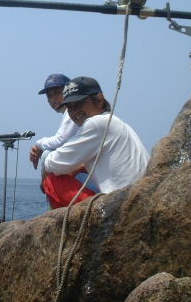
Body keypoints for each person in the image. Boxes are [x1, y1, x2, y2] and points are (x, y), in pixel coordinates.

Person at [42, 76, 150, 209]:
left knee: (51, 180)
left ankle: (68, 220)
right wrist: (79, 168)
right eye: (70, 107)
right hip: (137, 196)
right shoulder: (113, 121)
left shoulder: (96, 123)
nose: (75, 111)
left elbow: (53, 164)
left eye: (79, 103)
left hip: (121, 203)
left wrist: (49, 166)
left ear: (98, 100)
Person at [29, 73, 80, 170]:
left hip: (93, 170)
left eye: (57, 93)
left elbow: (60, 141)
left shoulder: (73, 110)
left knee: (47, 155)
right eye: (49, 95)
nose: (53, 99)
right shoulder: (70, 112)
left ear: (69, 92)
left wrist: (39, 145)